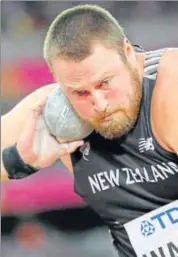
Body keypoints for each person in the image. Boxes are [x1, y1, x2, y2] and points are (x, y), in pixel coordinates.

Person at [1, 5, 178, 257]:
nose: (100, 104)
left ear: (127, 52)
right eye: (80, 92)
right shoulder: (52, 115)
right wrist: (18, 160)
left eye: (105, 82)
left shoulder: (171, 88)